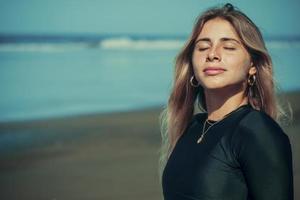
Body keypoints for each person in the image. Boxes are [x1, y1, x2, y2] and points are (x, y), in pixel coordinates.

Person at [159, 3, 294, 200]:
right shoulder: (193, 127)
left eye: (229, 47)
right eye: (203, 47)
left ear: (253, 65)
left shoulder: (257, 131)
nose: (212, 54)